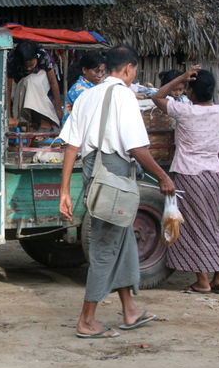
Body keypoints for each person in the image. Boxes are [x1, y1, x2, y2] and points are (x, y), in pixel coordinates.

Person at [58, 44, 175, 338]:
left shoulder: (86, 95)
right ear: (128, 69)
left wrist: (65, 191)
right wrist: (162, 176)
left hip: (93, 174)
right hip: (114, 175)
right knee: (105, 248)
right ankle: (86, 320)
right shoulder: (123, 95)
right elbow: (137, 146)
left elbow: (71, 145)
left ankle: (129, 310)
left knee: (122, 241)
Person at [151, 66, 219, 293]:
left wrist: (181, 78)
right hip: (212, 174)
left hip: (188, 174)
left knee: (192, 226)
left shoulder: (185, 111)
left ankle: (202, 281)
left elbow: (157, 96)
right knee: (210, 223)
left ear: (191, 91)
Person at [6, 40, 63, 131]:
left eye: (31, 65)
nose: (29, 68)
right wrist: (8, 116)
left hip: (39, 81)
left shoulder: (41, 55)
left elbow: (53, 81)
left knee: (31, 81)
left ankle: (45, 121)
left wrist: (58, 109)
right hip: (20, 83)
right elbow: (8, 89)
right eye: (26, 66)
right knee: (26, 84)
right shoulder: (13, 59)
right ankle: (28, 127)